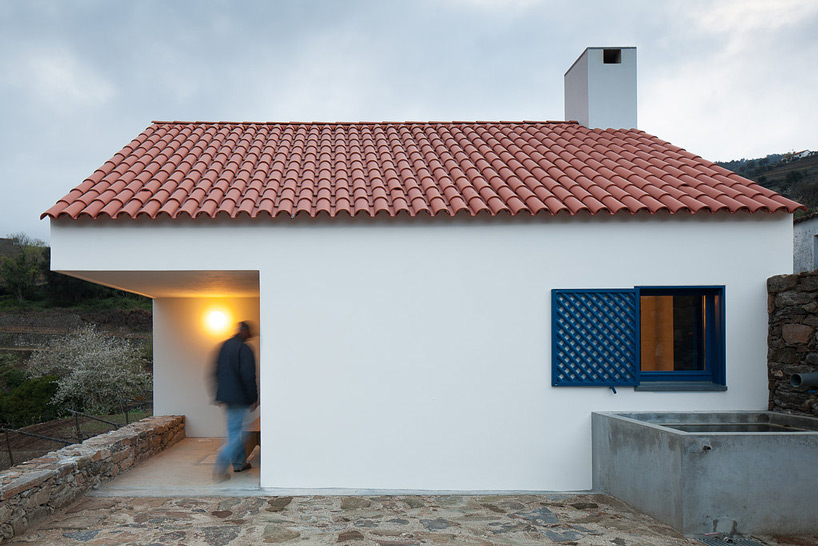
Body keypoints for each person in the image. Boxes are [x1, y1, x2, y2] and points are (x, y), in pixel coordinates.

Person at [212, 321, 258, 481]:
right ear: (244, 332)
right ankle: (221, 464)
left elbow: (216, 371)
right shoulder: (244, 349)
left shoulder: (224, 346)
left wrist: (219, 393)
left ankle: (238, 463)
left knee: (234, 431)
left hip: (227, 397)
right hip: (240, 397)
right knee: (239, 433)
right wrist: (254, 398)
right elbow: (248, 376)